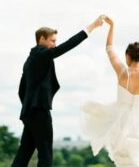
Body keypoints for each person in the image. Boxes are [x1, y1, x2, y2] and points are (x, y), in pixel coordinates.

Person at [80, 15, 139, 167]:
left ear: (127, 56)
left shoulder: (122, 72)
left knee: (124, 158)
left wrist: (112, 26)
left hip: (121, 119)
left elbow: (109, 48)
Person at [12, 16, 104, 167]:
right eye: (52, 41)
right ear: (42, 39)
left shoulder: (29, 60)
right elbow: (66, 46)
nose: (55, 45)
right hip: (39, 111)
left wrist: (29, 106)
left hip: (29, 112)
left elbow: (21, 90)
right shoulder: (41, 55)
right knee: (46, 154)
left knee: (24, 153)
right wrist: (91, 27)